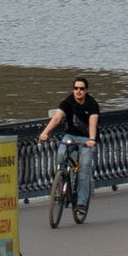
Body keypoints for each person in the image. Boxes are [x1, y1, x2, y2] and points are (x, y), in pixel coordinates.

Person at [40, 75, 102, 215]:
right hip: (71, 136)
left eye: (81, 89)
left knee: (84, 171)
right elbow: (57, 118)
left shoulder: (92, 104)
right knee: (61, 152)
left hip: (87, 139)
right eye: (76, 88)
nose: (78, 91)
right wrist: (44, 133)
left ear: (86, 90)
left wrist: (92, 139)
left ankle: (81, 203)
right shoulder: (68, 102)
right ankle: (61, 180)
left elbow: (93, 123)